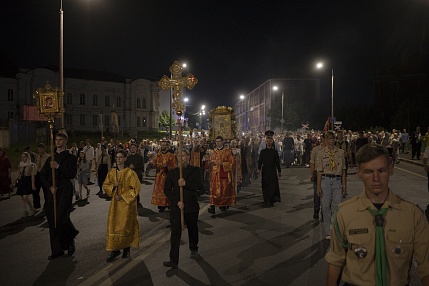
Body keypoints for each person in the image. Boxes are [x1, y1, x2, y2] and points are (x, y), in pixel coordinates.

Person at [325, 144, 429, 286]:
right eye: (368, 172)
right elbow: (335, 261)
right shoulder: (344, 214)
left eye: (381, 171)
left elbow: (426, 266)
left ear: (391, 170)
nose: (376, 178)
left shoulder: (413, 215)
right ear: (359, 173)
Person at [40, 132, 79, 260]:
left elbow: (71, 174)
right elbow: (42, 176)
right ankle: (57, 249)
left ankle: (69, 239)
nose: (58, 141)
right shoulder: (50, 158)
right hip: (52, 191)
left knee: (62, 217)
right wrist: (49, 187)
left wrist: (58, 167)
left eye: (60, 139)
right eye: (56, 139)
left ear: (65, 141)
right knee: (52, 219)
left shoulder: (70, 157)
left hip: (64, 190)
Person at [163, 149, 203, 269]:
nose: (182, 158)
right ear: (177, 158)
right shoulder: (172, 173)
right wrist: (176, 202)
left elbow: (200, 187)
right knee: (175, 233)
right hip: (177, 207)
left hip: (191, 206)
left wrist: (186, 184)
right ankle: (173, 260)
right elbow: (166, 190)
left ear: (188, 157)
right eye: (179, 156)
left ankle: (193, 248)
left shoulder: (195, 170)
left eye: (184, 155)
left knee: (192, 229)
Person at [103, 150, 141, 262]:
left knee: (126, 226)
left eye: (121, 157)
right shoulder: (111, 173)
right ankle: (115, 250)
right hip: (115, 205)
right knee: (114, 225)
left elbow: (135, 188)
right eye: (117, 157)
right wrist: (113, 186)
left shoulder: (130, 173)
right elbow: (106, 185)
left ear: (125, 159)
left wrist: (123, 196)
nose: (118, 159)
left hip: (127, 205)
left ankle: (126, 249)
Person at [316, 131, 347, 239]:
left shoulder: (341, 152)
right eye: (329, 139)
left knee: (337, 206)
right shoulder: (321, 153)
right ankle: (328, 231)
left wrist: (344, 186)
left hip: (337, 180)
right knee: (325, 206)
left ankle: (334, 228)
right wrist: (318, 186)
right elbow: (319, 170)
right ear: (325, 140)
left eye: (333, 139)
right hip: (326, 180)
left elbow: (343, 170)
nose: (331, 141)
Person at [208, 136, 236, 214]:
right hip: (215, 175)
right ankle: (212, 206)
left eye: (219, 141)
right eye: (216, 142)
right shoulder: (213, 152)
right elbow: (210, 162)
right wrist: (209, 162)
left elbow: (232, 163)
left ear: (222, 142)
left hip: (224, 174)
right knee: (213, 191)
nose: (218, 143)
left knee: (223, 190)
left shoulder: (227, 151)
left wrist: (223, 164)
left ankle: (223, 204)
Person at [149, 140, 177, 212]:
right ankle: (160, 204)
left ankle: (168, 203)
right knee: (159, 190)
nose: (163, 146)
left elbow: (174, 166)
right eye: (162, 145)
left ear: (167, 146)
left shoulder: (171, 155)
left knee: (167, 189)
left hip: (167, 175)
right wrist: (151, 163)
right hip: (159, 176)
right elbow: (154, 164)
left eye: (165, 145)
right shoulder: (158, 155)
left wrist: (167, 166)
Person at [257, 132, 281, 206]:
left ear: (272, 142)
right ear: (265, 142)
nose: (268, 142)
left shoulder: (274, 152)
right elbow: (260, 161)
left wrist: (279, 171)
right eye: (267, 141)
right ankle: (266, 199)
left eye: (270, 141)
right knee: (265, 184)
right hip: (265, 170)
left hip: (272, 169)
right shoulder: (263, 152)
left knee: (272, 185)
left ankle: (271, 199)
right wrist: (259, 169)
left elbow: (277, 162)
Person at [15, 152, 37, 217]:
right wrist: (13, 182)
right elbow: (18, 174)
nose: (23, 158)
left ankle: (32, 208)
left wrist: (33, 184)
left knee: (26, 196)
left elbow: (33, 175)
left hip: (28, 181)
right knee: (22, 197)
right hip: (22, 180)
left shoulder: (31, 165)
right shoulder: (21, 164)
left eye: (24, 157)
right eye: (22, 157)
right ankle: (25, 210)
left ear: (27, 157)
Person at [309, 133, 325, 220]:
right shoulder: (316, 149)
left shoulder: (331, 150)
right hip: (316, 173)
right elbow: (312, 163)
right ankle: (316, 210)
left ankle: (324, 211)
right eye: (324, 138)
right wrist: (311, 174)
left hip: (326, 174)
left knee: (326, 195)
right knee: (317, 193)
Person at [34, 143, 50, 209]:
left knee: (46, 191)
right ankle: (36, 205)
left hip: (45, 174)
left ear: (43, 149)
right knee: (35, 191)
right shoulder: (37, 157)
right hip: (38, 174)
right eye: (38, 149)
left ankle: (47, 204)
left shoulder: (48, 157)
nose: (39, 150)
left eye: (41, 149)